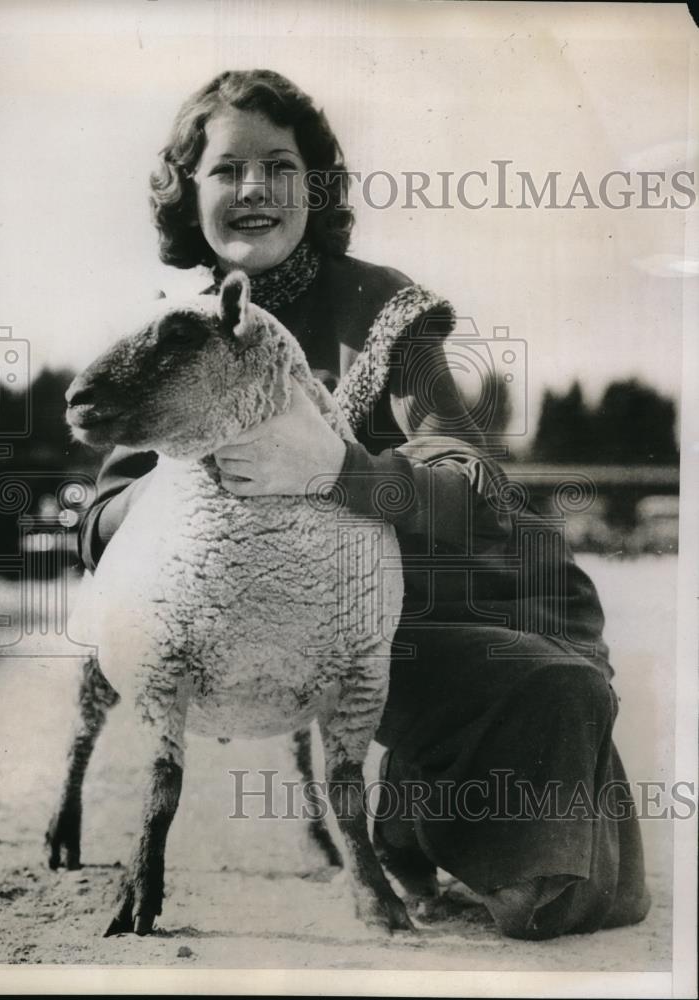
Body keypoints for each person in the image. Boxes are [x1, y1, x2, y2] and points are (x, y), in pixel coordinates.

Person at [77, 69, 651, 940]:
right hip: (242, 646)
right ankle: (412, 817)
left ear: (316, 187)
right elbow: (100, 520)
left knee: (550, 883)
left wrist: (335, 469)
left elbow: (469, 485)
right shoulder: (172, 338)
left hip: (399, 629)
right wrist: (179, 487)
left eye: (281, 166)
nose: (255, 190)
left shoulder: (383, 310)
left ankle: (419, 817)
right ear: (187, 194)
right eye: (227, 169)